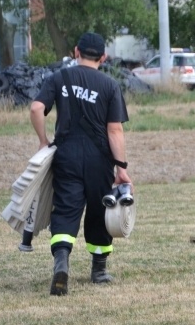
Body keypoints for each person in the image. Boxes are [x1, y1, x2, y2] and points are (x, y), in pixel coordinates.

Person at [30, 32, 132, 296]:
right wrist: (121, 168)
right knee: (99, 210)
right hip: (99, 159)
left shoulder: (59, 77)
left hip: (66, 155)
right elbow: (115, 130)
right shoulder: (110, 85)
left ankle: (61, 263)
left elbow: (36, 108)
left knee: (66, 209)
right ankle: (99, 270)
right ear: (103, 57)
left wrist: (43, 141)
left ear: (76, 52)